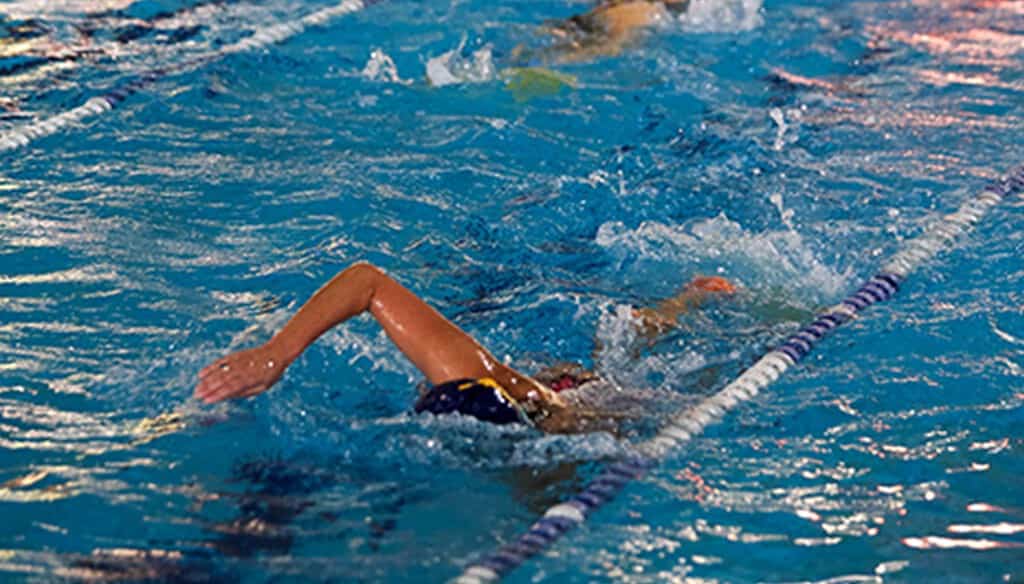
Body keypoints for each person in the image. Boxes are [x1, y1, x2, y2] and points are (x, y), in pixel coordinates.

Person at [194, 262, 735, 434]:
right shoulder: (472, 376)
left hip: (571, 403)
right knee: (613, 357)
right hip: (557, 394)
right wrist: (274, 354)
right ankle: (684, 301)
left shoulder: (541, 431)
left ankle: (683, 303)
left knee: (619, 372)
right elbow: (365, 279)